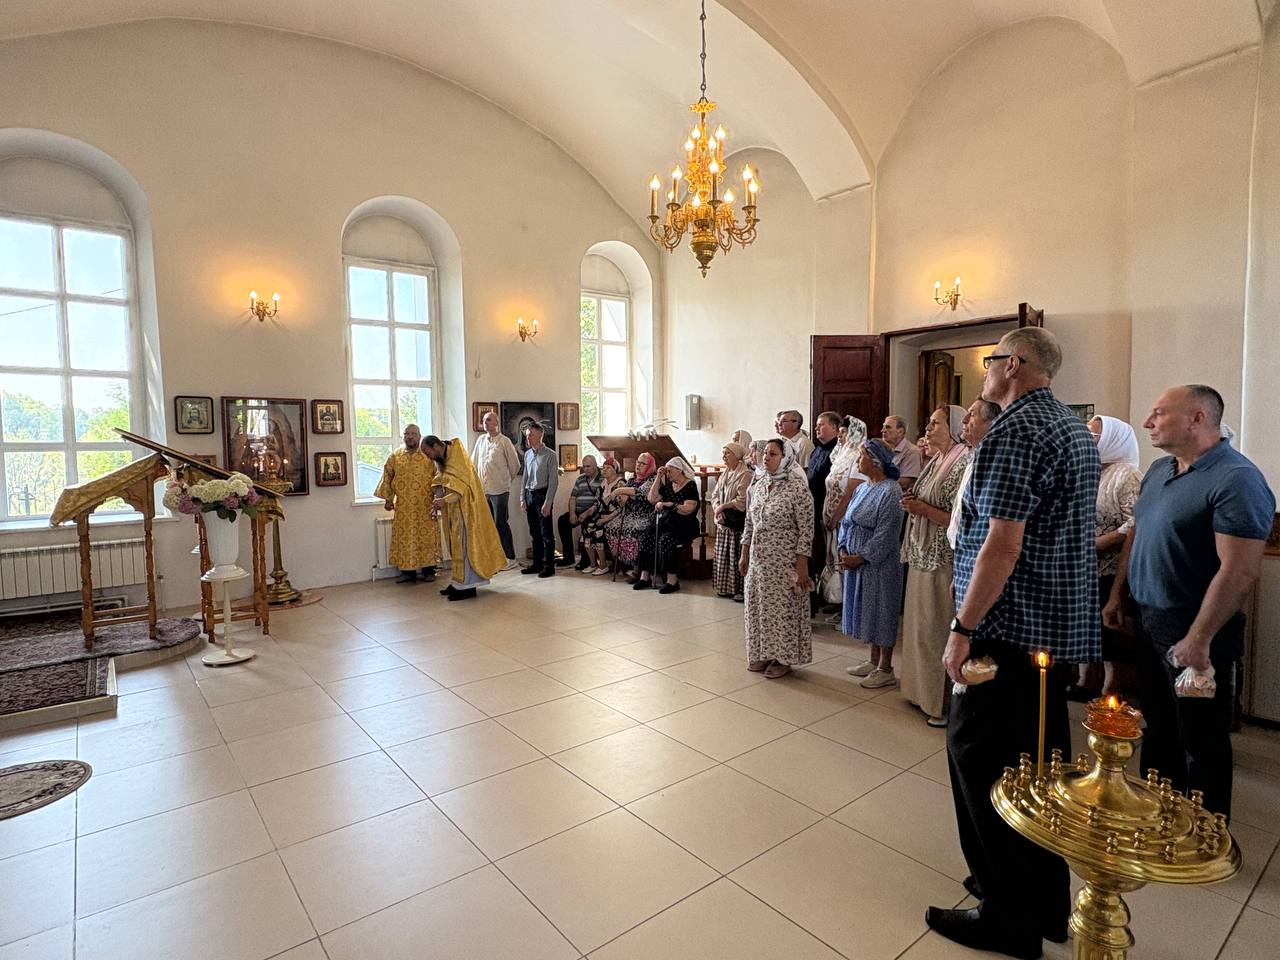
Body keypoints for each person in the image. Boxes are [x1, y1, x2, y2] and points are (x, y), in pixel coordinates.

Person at [928, 327, 1099, 959]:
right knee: (1036, 768)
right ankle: (1043, 902)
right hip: (1047, 632)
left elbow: (1002, 544)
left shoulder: (1014, 430)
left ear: (1016, 364)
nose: (985, 369)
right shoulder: (1068, 427)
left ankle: (1007, 917)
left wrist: (962, 627)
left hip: (1006, 628)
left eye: (991, 359)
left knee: (982, 759)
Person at [1105, 385, 1274, 819]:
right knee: (1159, 726)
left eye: (1159, 414)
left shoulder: (1237, 479)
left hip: (1198, 628)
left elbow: (1239, 571)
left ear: (1197, 418)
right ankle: (1160, 816)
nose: (1148, 423)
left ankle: (1206, 832)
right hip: (1150, 619)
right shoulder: (1160, 469)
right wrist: (1119, 593)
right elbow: (1138, 531)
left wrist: (1199, 638)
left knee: (1200, 738)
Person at [897, 405, 972, 726]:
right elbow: (924, 496)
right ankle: (918, 692)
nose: (927, 429)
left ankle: (939, 702)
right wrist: (913, 502)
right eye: (928, 423)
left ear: (952, 427)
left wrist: (923, 509)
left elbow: (960, 518)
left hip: (943, 557)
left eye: (935, 423)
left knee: (935, 628)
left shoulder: (963, 461)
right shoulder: (937, 459)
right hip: (922, 553)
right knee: (919, 628)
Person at [1069, 415, 1143, 699]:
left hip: (1111, 566)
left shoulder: (1127, 474)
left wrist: (1098, 543)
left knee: (1108, 627)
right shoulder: (1090, 470)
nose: (1087, 439)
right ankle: (1086, 678)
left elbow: (1135, 522)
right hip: (1083, 565)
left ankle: (1111, 686)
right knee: (1085, 623)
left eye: (1094, 435)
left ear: (1114, 439)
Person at [739, 438, 814, 679]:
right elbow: (750, 521)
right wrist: (744, 552)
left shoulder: (797, 488)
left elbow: (806, 530)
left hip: (784, 561)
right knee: (759, 606)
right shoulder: (761, 484)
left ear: (786, 458)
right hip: (758, 560)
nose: (766, 457)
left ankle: (782, 658)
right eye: (765, 453)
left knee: (782, 610)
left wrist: (802, 565)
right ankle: (763, 652)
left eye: (773, 454)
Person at [837, 439, 905, 689]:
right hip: (856, 559)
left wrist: (862, 557)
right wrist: (843, 548)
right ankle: (873, 660)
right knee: (867, 609)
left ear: (876, 461)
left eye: (861, 455)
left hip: (879, 563)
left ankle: (885, 668)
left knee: (882, 610)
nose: (857, 460)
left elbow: (887, 533)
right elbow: (847, 522)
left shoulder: (891, 491)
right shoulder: (862, 488)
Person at [421, 435, 506, 601]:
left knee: (466, 548)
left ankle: (468, 587)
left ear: (436, 446)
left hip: (467, 512)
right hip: (454, 510)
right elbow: (441, 481)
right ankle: (458, 582)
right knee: (456, 548)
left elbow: (461, 488)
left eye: (428, 452)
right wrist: (437, 500)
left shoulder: (457, 457)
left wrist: (443, 500)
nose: (428, 456)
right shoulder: (444, 459)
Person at [374, 423, 441, 583]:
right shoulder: (395, 456)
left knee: (427, 538)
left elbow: (438, 477)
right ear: (403, 437)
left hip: (425, 506)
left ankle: (429, 571)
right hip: (403, 507)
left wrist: (439, 498)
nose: (409, 437)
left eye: (413, 434)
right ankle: (407, 572)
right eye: (406, 434)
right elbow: (387, 476)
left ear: (419, 436)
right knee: (405, 539)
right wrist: (388, 499)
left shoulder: (428, 455)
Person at [640, 457, 702, 593]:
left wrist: (670, 505)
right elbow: (651, 499)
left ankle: (672, 580)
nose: (667, 473)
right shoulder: (669, 486)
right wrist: (658, 477)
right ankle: (645, 576)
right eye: (666, 471)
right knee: (646, 537)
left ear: (679, 470)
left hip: (685, 524)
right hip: (667, 523)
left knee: (666, 540)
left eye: (669, 470)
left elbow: (688, 509)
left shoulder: (690, 485)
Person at [470, 410, 521, 570]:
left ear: (497, 423)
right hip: (483, 490)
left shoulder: (504, 441)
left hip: (500, 490)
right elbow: (473, 462)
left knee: (500, 524)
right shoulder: (480, 440)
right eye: (484, 420)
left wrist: (505, 481)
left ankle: (510, 557)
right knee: (488, 526)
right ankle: (494, 558)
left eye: (489, 420)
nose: (486, 423)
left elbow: (515, 465)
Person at [946, 399, 1000, 550]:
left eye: (972, 414)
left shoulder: (993, 462)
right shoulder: (974, 456)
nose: (964, 420)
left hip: (976, 550)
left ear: (991, 423)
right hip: (961, 548)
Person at [805, 411, 841, 614]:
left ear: (835, 428)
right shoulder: (817, 450)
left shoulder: (838, 451)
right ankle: (820, 593)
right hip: (813, 508)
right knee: (817, 554)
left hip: (828, 510)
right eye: (817, 425)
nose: (817, 428)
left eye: (822, 425)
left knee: (829, 554)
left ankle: (834, 596)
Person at [606, 452, 658, 578]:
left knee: (636, 530)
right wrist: (621, 498)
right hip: (630, 515)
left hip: (645, 516)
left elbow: (640, 494)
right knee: (611, 526)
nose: (638, 465)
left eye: (642, 463)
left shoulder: (653, 480)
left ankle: (637, 568)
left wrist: (620, 491)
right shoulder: (631, 480)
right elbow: (623, 499)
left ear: (650, 466)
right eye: (637, 462)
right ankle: (625, 564)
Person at [712, 440, 751, 601]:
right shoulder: (725, 473)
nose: (724, 457)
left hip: (736, 522)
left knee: (735, 557)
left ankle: (738, 589)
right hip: (723, 520)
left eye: (727, 453)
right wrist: (717, 508)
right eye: (723, 454)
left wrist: (723, 507)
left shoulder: (745, 474)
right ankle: (724, 587)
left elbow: (742, 501)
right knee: (724, 557)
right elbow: (715, 495)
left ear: (736, 455)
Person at [520, 422, 559, 578]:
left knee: (546, 534)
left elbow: (554, 481)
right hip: (529, 495)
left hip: (543, 495)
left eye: (531, 435)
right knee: (534, 532)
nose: (528, 438)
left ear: (540, 435)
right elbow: (525, 477)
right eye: (527, 435)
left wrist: (548, 503)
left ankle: (549, 567)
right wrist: (522, 498)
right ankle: (537, 564)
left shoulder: (550, 455)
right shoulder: (527, 454)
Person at [555, 455, 603, 570]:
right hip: (578, 511)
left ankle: (586, 560)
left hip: (592, 512)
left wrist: (586, 513)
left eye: (588, 466)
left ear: (595, 465)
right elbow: (573, 497)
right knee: (563, 521)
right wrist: (572, 513)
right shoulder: (580, 479)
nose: (586, 469)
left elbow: (600, 501)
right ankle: (568, 558)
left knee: (587, 526)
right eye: (584, 466)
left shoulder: (602, 479)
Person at [583, 457, 623, 575]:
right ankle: (593, 564)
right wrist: (589, 511)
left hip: (615, 516)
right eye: (603, 468)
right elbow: (597, 503)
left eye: (608, 468)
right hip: (602, 514)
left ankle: (603, 565)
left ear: (615, 470)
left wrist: (606, 519)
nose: (604, 470)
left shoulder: (620, 484)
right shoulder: (603, 484)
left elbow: (621, 508)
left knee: (598, 530)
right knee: (587, 528)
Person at [881, 415, 923, 491]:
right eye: (883, 427)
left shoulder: (912, 452)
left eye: (888, 427)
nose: (882, 430)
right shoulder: (883, 449)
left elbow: (905, 483)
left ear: (900, 432)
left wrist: (877, 484)